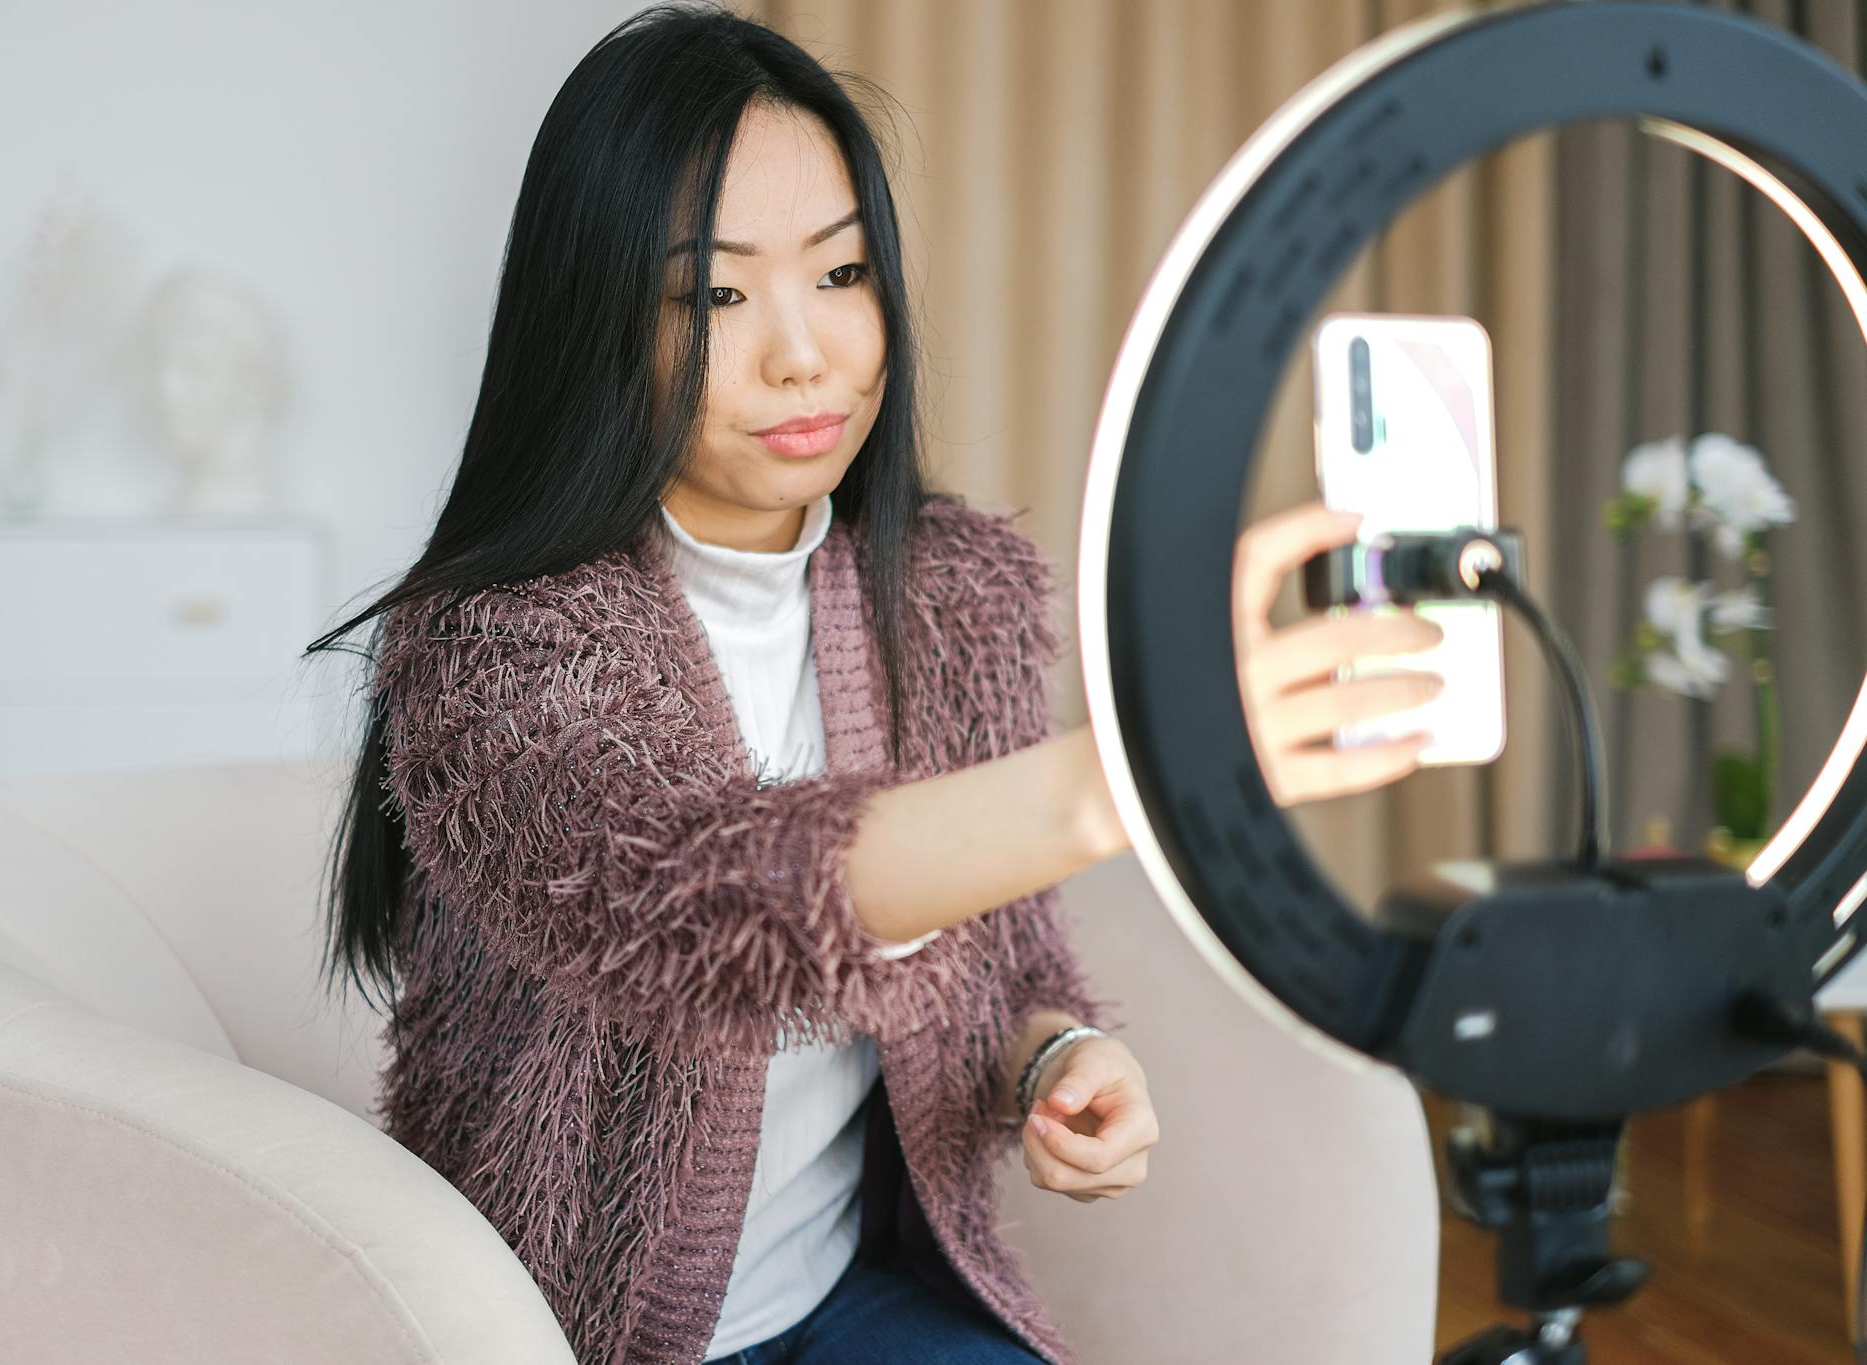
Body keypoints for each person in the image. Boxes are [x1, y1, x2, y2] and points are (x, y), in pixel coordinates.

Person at [308, 5, 1446, 1363]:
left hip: (848, 1303)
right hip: (566, 1337)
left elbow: (1001, 961)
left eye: (840, 274)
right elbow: (694, 901)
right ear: (593, 321)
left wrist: (1051, 1060)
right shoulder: (495, 643)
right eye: (712, 294)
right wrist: (1131, 763)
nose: (805, 351)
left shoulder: (952, 595)